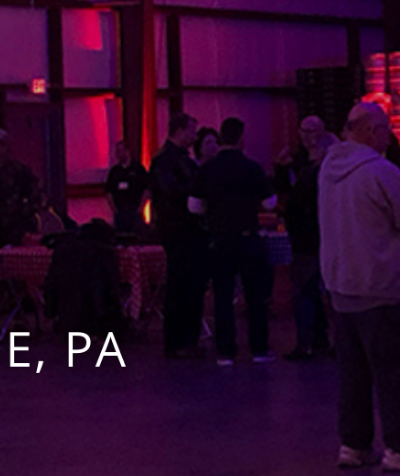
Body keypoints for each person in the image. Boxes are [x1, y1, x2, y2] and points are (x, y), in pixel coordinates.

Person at [320, 103, 400, 473]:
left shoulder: (328, 169)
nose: (389, 137)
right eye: (386, 129)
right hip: (378, 284)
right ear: (370, 131)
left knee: (352, 373)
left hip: (340, 285)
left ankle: (354, 444)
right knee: (393, 372)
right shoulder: (380, 171)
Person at [194, 117, 276, 366]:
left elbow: (194, 206)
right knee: (255, 296)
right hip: (248, 237)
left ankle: (225, 351)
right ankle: (259, 348)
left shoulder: (207, 169)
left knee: (222, 296)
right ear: (241, 138)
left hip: (220, 239)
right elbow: (269, 203)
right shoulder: (252, 167)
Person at [275, 115, 334, 360]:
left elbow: (291, 200)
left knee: (306, 291)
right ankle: (321, 340)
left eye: (311, 132)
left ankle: (308, 343)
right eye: (304, 131)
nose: (307, 136)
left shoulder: (311, 169)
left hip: (309, 237)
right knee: (319, 291)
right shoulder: (313, 166)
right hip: (319, 236)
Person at [152, 114, 207, 358]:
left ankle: (184, 340)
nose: (195, 136)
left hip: (182, 229)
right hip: (179, 230)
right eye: (192, 131)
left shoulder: (174, 160)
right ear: (180, 131)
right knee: (182, 284)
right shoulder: (168, 161)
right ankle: (180, 340)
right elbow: (172, 192)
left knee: (188, 284)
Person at [104, 141, 151, 236]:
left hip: (135, 211)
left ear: (127, 151)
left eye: (120, 151)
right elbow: (108, 192)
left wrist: (140, 208)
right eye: (117, 152)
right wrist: (115, 210)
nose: (118, 154)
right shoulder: (115, 172)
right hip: (120, 212)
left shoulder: (138, 169)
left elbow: (146, 189)